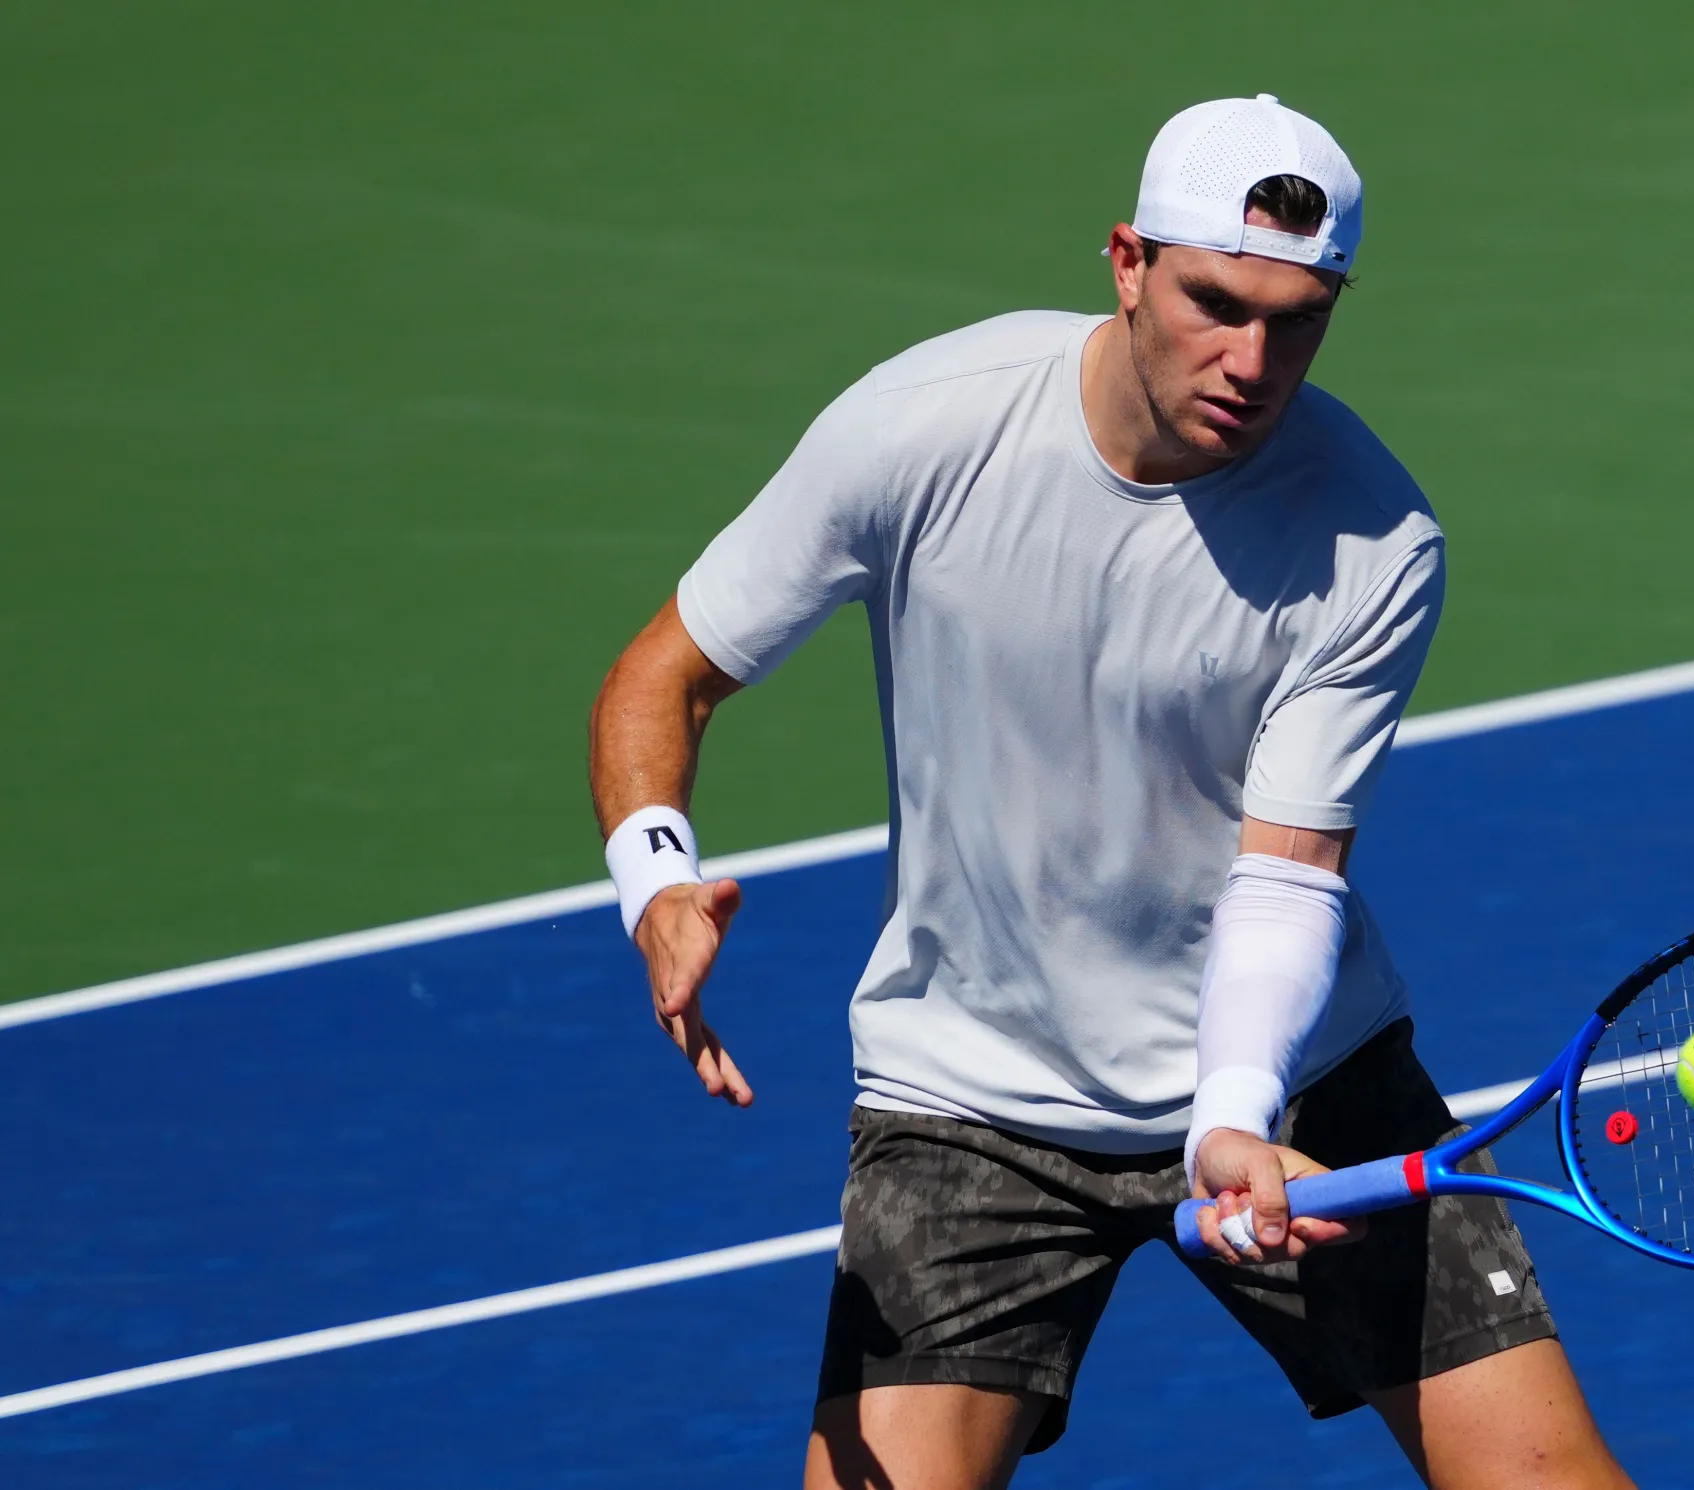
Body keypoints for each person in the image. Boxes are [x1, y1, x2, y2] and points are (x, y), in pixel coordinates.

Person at [587, 94, 1634, 1490]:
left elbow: (1285, 875)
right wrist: (658, 884)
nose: (1253, 360)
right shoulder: (922, 429)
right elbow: (666, 675)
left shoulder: (1374, 539)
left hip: (1297, 1086)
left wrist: (1230, 1115)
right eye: (1216, 302)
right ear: (1127, 262)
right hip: (972, 1098)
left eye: (1300, 318)